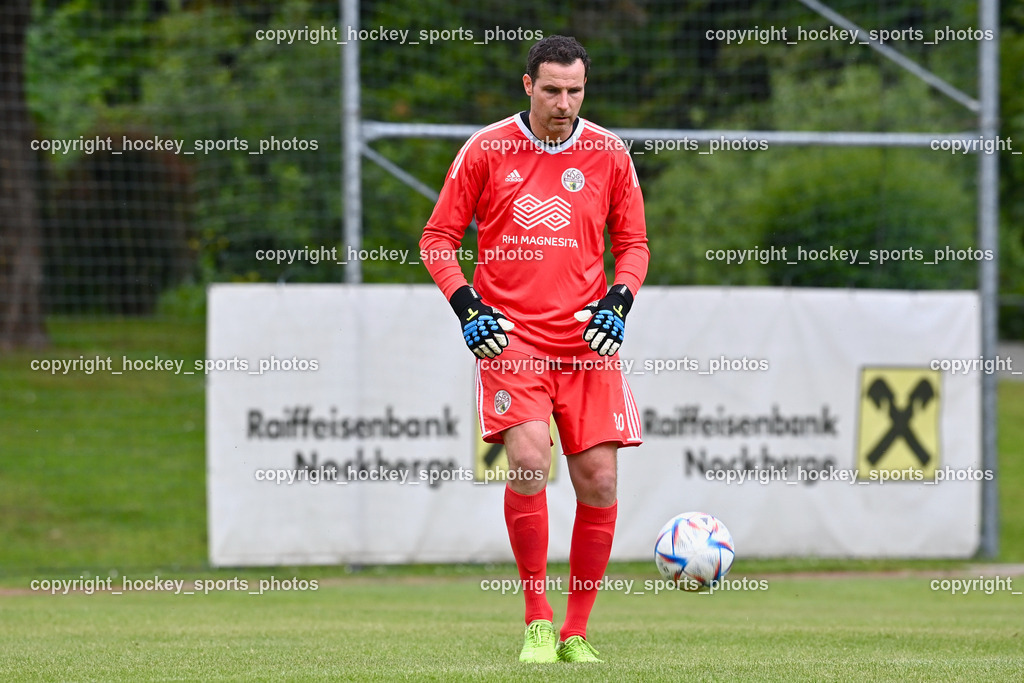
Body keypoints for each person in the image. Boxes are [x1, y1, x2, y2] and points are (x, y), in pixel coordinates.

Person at [419, 34, 649, 664]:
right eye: (551, 90)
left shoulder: (609, 153)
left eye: (575, 91)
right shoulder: (487, 149)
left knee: (599, 479)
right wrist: (468, 307)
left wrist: (619, 301)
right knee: (527, 460)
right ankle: (537, 621)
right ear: (528, 86)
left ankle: (576, 633)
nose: (564, 104)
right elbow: (438, 239)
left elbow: (633, 244)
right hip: (510, 337)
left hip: (587, 338)